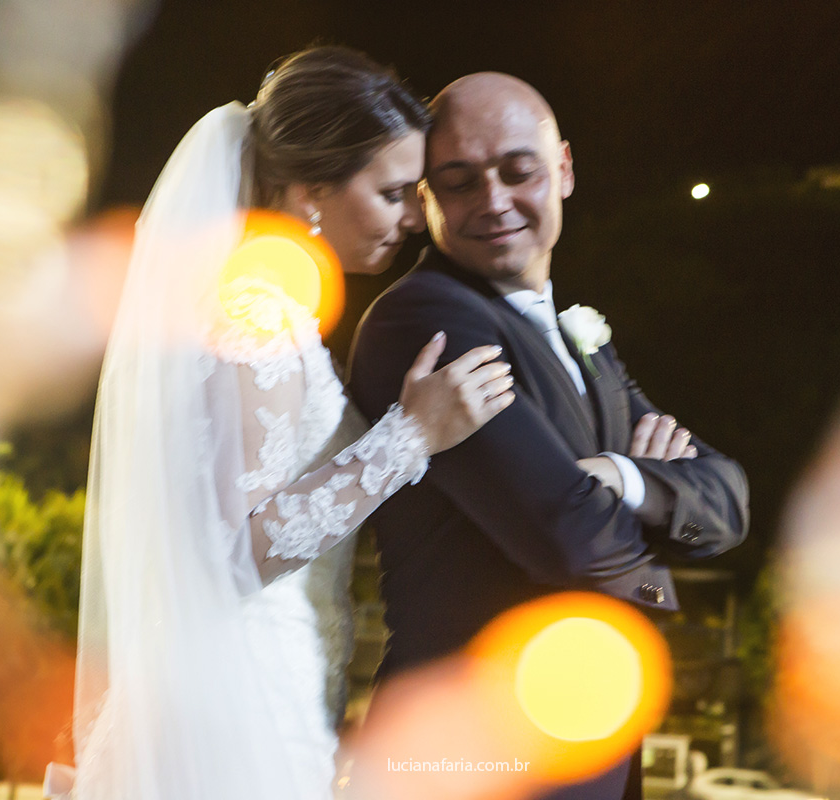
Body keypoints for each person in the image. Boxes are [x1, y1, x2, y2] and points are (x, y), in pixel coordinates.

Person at [66, 49, 515, 800]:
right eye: (393, 192)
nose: (413, 217)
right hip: (232, 689)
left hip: (257, 667)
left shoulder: (265, 305)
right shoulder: (252, 315)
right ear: (311, 191)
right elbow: (237, 551)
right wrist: (413, 436)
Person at [347, 72, 749, 799]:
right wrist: (656, 556)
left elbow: (728, 494)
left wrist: (622, 479)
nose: (494, 200)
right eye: (459, 181)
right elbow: (568, 539)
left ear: (563, 168)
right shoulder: (427, 318)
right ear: (426, 199)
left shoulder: (582, 338)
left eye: (517, 170)